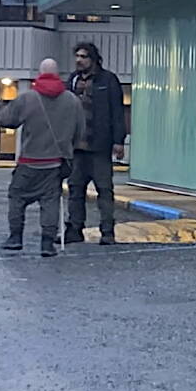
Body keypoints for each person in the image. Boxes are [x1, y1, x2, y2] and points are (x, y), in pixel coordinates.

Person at [0, 58, 85, 258]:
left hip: (29, 162)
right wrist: (67, 151)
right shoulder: (72, 100)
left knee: (17, 197)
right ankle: (47, 243)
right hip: (55, 163)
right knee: (50, 202)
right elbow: (79, 132)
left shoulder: (28, 98)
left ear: (40, 74)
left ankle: (15, 238)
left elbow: (6, 120)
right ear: (58, 75)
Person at [64, 42, 127, 246]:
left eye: (83, 56)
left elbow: (117, 112)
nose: (79, 60)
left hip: (99, 147)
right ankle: (74, 229)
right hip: (77, 149)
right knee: (75, 190)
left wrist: (119, 141)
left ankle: (107, 232)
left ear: (93, 59)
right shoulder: (72, 80)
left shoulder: (107, 80)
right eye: (77, 56)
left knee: (104, 191)